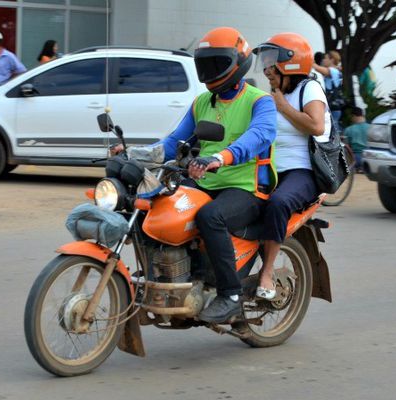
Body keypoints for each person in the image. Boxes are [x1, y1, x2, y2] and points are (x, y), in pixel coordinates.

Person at [112, 27, 277, 323]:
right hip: (205, 181)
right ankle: (161, 272)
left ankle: (231, 294)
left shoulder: (259, 101)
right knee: (152, 204)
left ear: (237, 62)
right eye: (205, 64)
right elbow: (172, 142)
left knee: (210, 217)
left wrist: (220, 157)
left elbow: (258, 137)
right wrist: (132, 153)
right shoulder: (201, 102)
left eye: (217, 63)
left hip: (246, 188)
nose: (210, 71)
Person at [253, 32, 328, 299]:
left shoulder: (309, 89)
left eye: (271, 62)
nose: (266, 70)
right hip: (269, 169)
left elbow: (317, 126)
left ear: (290, 63)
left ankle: (267, 272)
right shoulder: (272, 95)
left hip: (302, 171)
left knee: (278, 203)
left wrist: (283, 107)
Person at [313, 51, 343, 128]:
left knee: (332, 131)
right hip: (333, 106)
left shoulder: (334, 71)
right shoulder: (336, 70)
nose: (323, 60)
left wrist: (310, 62)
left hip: (333, 107)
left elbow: (318, 68)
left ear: (332, 60)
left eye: (325, 58)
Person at [343, 107, 369, 172]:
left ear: (354, 116)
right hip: (370, 158)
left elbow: (346, 147)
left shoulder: (349, 129)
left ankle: (358, 168)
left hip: (356, 158)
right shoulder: (371, 128)